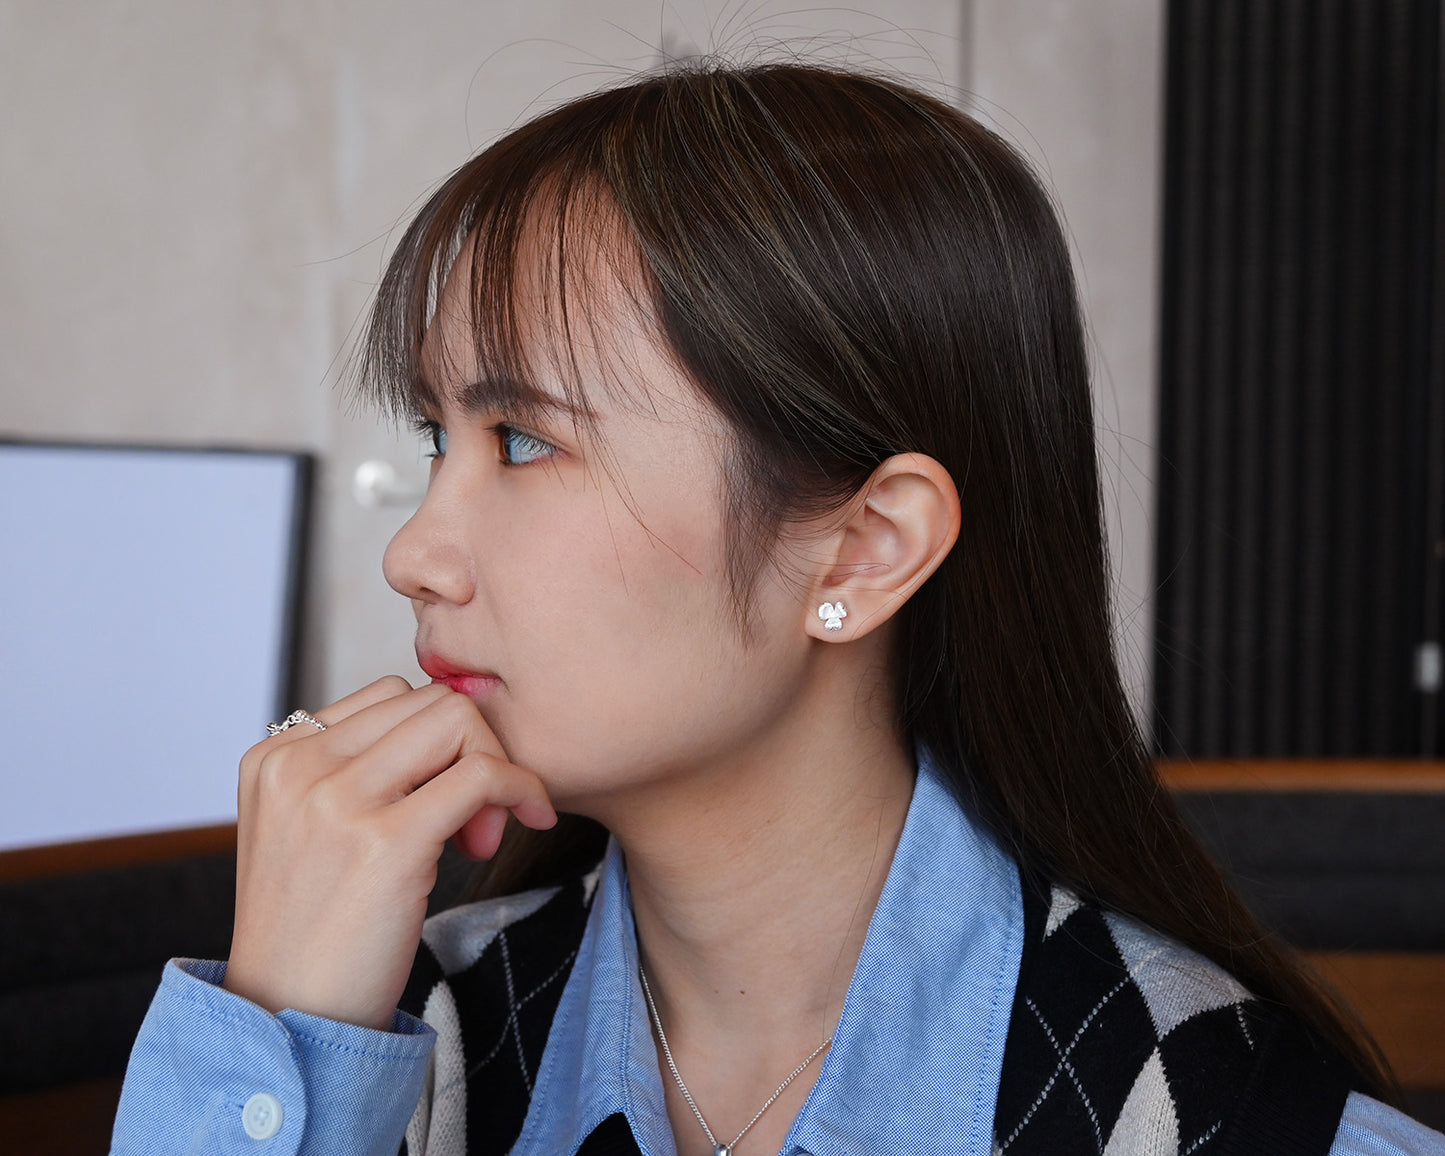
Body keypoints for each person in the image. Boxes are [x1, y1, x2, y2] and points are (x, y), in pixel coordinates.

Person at [111, 61, 1445, 1155]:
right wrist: (278, 1038)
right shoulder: (374, 1054)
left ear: (864, 549)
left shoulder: (1210, 1117)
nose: (415, 555)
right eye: (433, 441)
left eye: (521, 440)